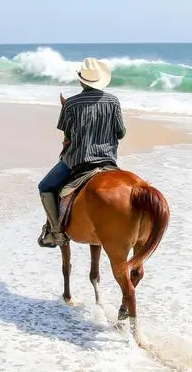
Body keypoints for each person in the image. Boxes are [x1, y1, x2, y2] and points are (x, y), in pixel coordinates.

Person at [37, 57, 126, 247]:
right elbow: (121, 133)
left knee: (45, 187)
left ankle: (56, 232)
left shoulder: (70, 104)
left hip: (77, 161)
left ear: (81, 80)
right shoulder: (113, 101)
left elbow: (67, 137)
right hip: (108, 161)